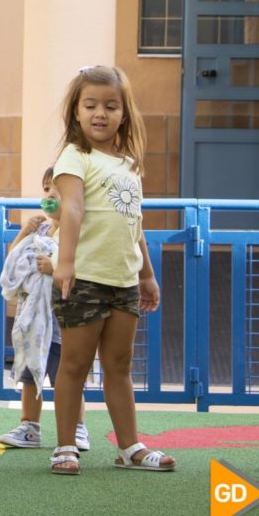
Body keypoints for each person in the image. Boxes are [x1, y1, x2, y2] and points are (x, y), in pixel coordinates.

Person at [49, 66, 175, 475]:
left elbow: (133, 220)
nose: (100, 113)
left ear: (124, 113)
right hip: (83, 276)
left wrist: (147, 273)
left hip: (124, 280)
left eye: (110, 105)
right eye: (90, 105)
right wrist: (65, 261)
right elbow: (71, 207)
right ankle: (66, 445)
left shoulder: (128, 163)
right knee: (74, 365)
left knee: (119, 365)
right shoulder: (74, 156)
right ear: (76, 112)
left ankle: (129, 447)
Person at [0, 167, 89, 450]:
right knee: (29, 374)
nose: (49, 195)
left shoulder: (78, 232)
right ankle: (29, 427)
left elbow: (82, 268)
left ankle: (78, 428)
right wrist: (24, 231)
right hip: (34, 319)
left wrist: (55, 267)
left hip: (62, 320)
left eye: (57, 191)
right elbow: (14, 260)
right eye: (47, 189)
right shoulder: (42, 230)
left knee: (67, 377)